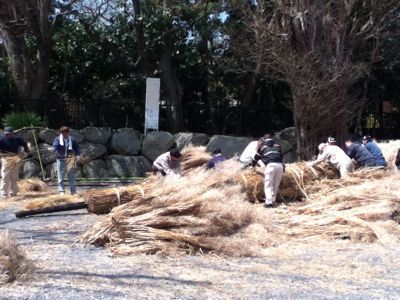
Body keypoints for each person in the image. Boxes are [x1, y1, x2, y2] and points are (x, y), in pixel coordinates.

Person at [252, 136, 284, 207]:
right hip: (280, 166)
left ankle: (268, 203)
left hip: (271, 166)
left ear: (264, 141)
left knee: (268, 185)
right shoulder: (278, 146)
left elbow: (256, 158)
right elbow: (281, 157)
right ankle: (273, 201)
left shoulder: (263, 147)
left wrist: (253, 166)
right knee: (275, 185)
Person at [0, 127, 29, 198]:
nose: (7, 135)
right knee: (5, 176)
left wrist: (26, 150)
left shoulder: (17, 139)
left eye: (9, 134)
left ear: (12, 133)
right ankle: (4, 194)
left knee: (14, 176)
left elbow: (24, 143)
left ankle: (14, 192)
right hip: (6, 158)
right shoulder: (1, 139)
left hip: (15, 158)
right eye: (6, 134)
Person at [52, 126, 80, 195]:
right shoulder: (57, 139)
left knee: (71, 176)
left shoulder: (72, 139)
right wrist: (52, 149)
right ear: (61, 133)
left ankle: (73, 192)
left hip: (69, 159)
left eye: (66, 133)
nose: (65, 135)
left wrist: (78, 155)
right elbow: (55, 147)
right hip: (60, 159)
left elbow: (76, 148)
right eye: (64, 134)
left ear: (68, 132)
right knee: (60, 176)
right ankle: (62, 191)